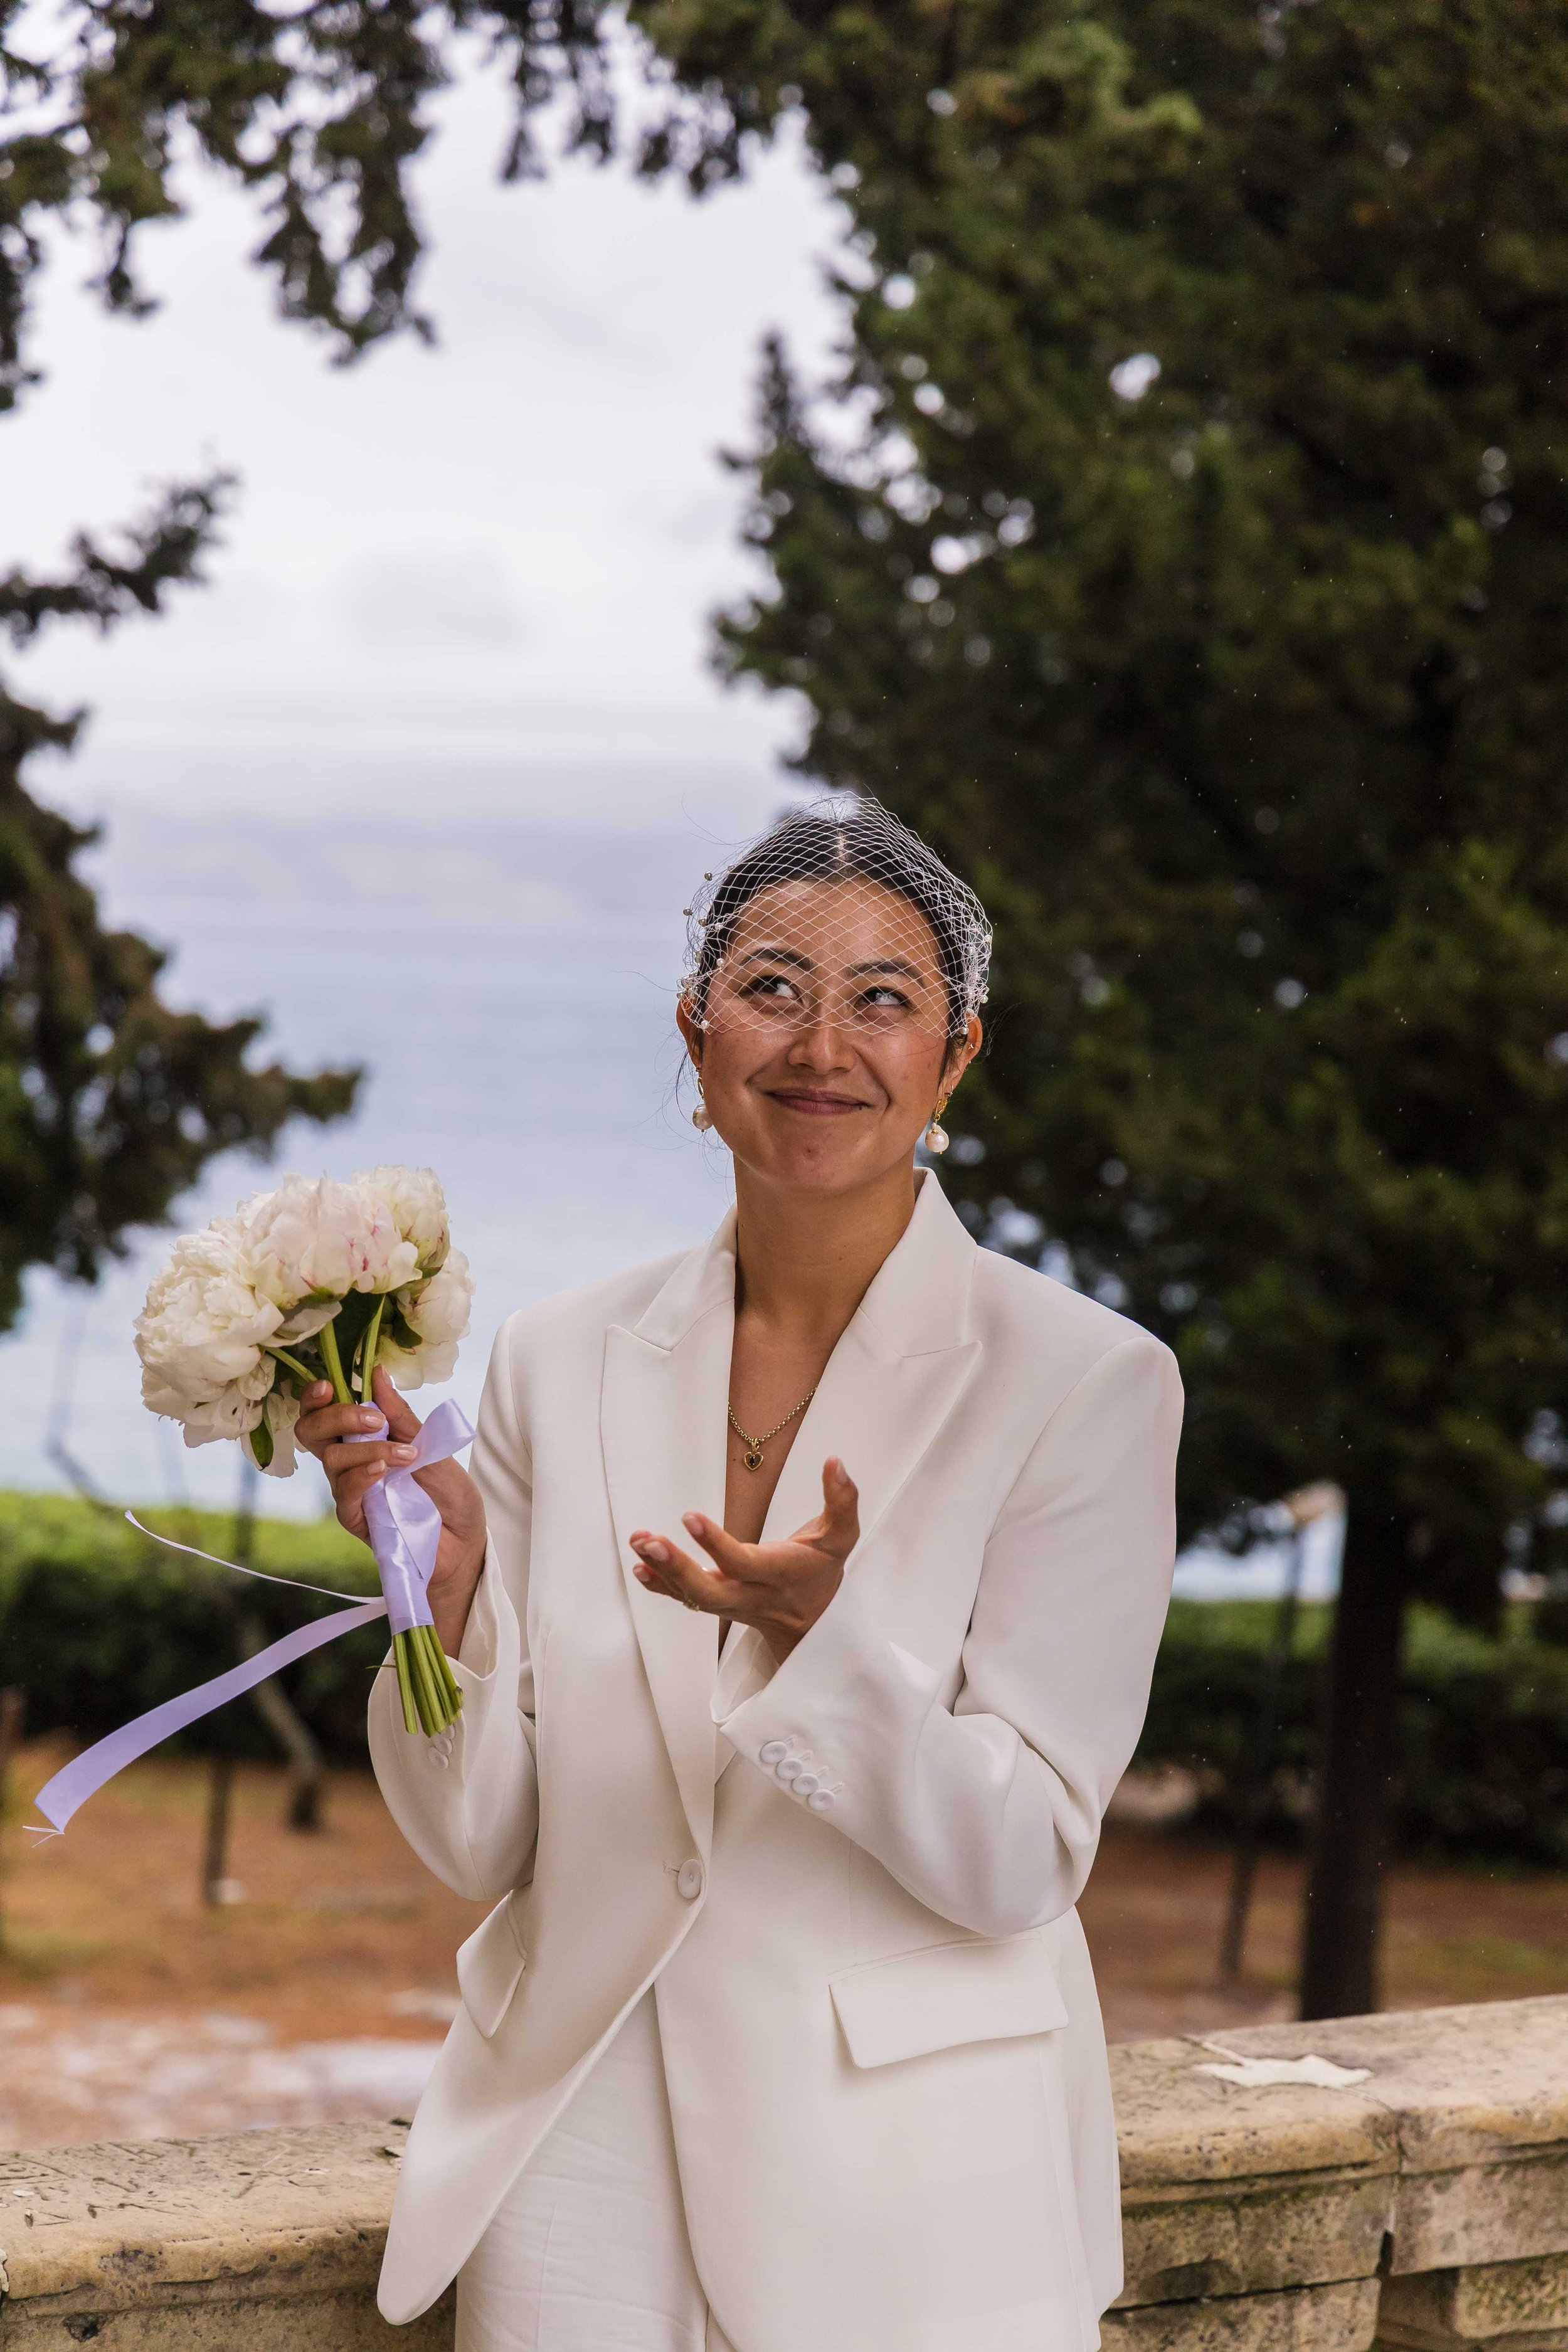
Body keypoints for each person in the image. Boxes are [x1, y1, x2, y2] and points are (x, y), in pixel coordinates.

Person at [297, 799, 1184, 2352]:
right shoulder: (553, 1359)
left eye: (883, 999)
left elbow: (1021, 1858)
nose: (820, 1043)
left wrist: (819, 1649)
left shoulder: (1085, 1381)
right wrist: (443, 1592)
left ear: (956, 1056)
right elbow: (479, 1838)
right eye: (772, 986)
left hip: (913, 2196)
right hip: (577, 2183)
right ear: (697, 1039)